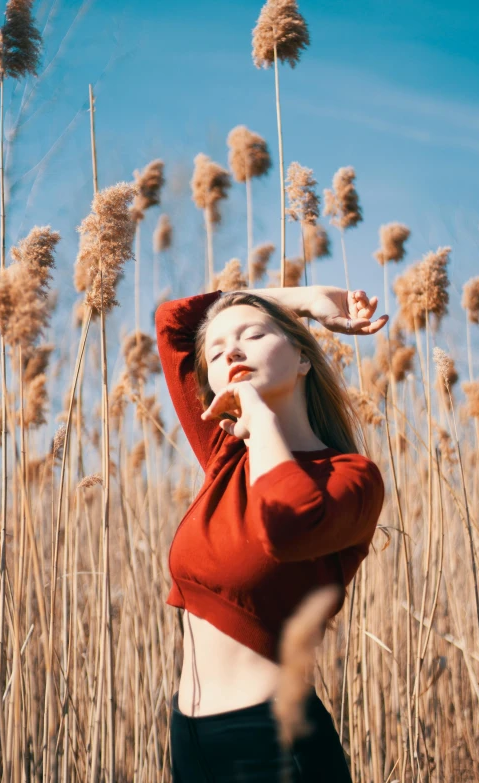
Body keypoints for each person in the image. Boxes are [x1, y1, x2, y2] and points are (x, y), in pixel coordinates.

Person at [154, 284, 387, 782]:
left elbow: (285, 525)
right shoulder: (226, 459)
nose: (232, 350)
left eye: (254, 335)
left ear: (303, 359)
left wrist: (256, 414)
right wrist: (305, 299)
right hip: (191, 740)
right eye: (216, 352)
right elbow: (174, 321)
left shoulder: (351, 477)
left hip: (274, 746)